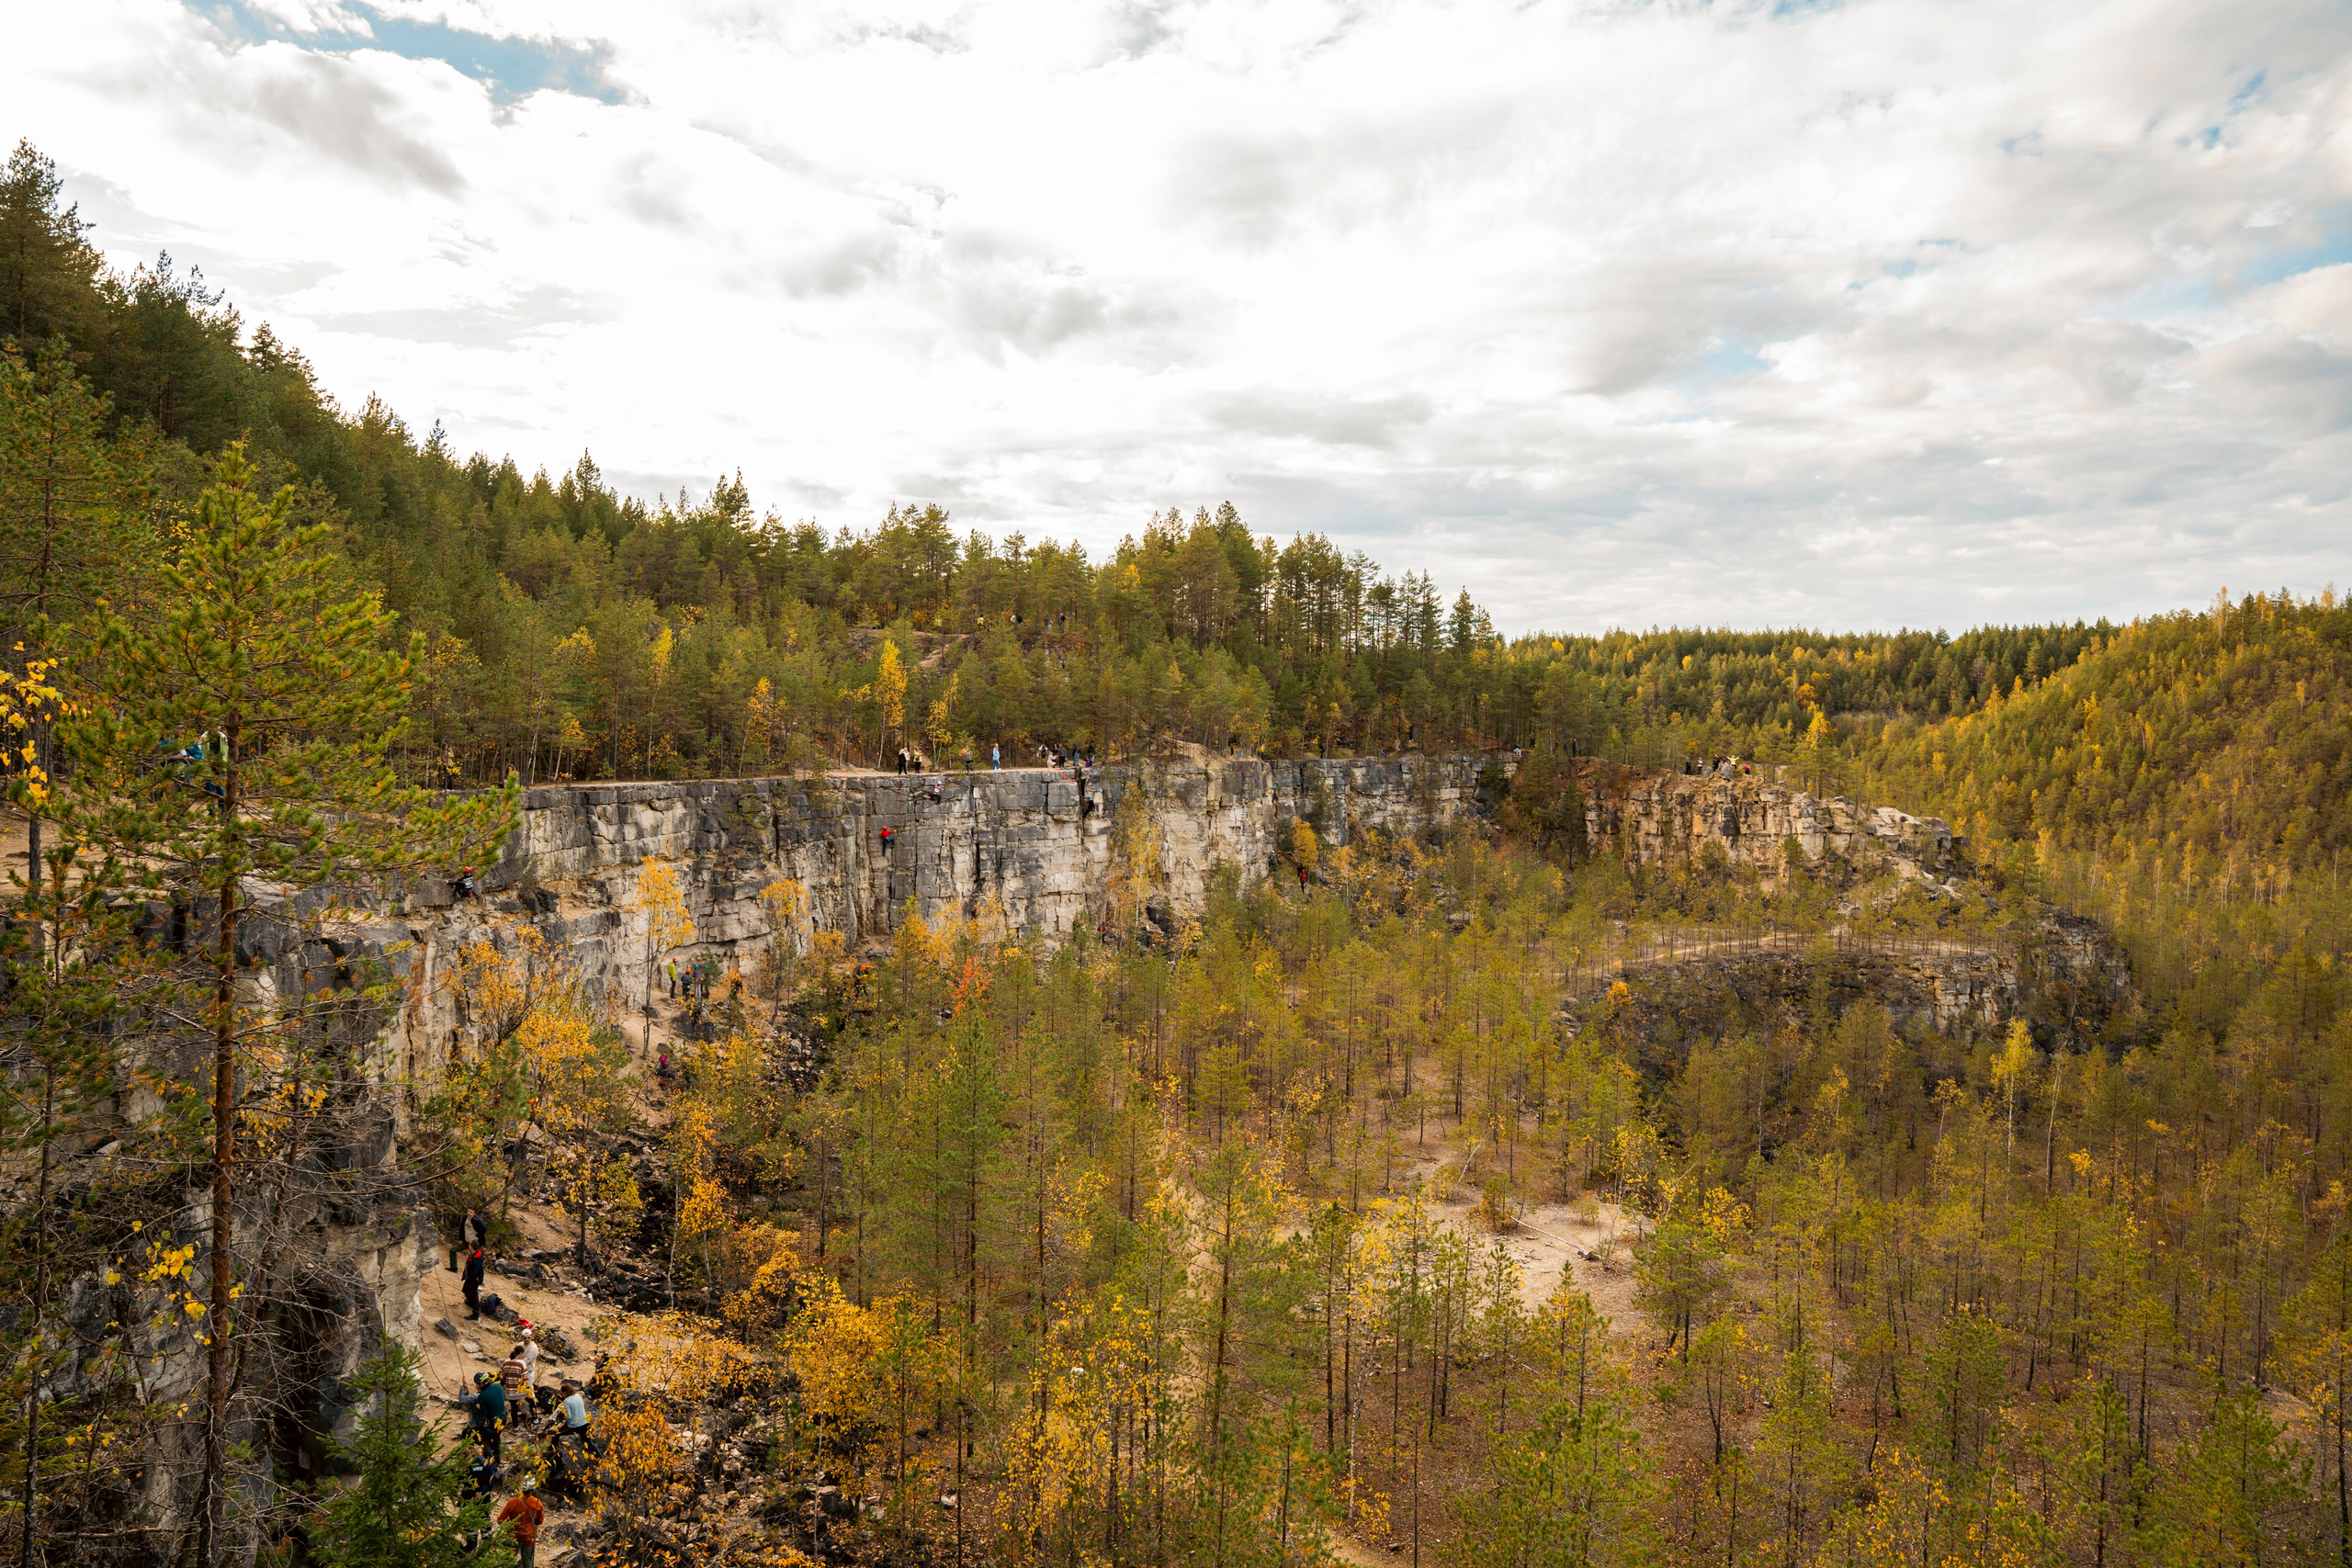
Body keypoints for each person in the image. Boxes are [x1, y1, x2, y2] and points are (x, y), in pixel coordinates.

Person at [458, 1371, 506, 1461]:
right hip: (503, 1417)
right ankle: (497, 1458)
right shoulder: (498, 1386)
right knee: (496, 1436)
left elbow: (485, 1412)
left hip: (491, 1421)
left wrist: (464, 1387)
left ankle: (490, 1462)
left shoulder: (482, 1396)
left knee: (484, 1440)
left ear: (479, 1384)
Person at [496, 1480, 545, 1568]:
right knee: (528, 1562)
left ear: (522, 1488)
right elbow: (539, 1521)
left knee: (509, 1562)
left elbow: (500, 1520)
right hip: (529, 1537)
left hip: (513, 1536)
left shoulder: (513, 1502)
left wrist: (510, 1521)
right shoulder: (537, 1503)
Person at [557, 1379, 597, 1456]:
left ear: (565, 1392)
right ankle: (600, 1457)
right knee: (589, 1442)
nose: (561, 1395)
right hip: (585, 1423)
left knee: (556, 1435)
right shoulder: (578, 1396)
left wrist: (564, 1419)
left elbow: (569, 1417)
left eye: (562, 1393)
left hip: (575, 1426)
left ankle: (553, 1452)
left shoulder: (566, 1401)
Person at [450, 1207, 486, 1271]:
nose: (469, 1213)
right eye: (469, 1211)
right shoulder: (465, 1218)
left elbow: (484, 1229)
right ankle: (453, 1268)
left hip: (474, 1243)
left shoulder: (477, 1221)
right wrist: (460, 1239)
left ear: (474, 1213)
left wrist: (473, 1219)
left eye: (471, 1212)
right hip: (465, 1241)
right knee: (452, 1250)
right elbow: (462, 1229)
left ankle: (474, 1272)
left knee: (474, 1258)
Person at [462, 1246, 486, 1320]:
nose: (468, 1245)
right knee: (465, 1290)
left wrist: (473, 1280)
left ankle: (476, 1313)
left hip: (473, 1279)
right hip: (470, 1278)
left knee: (474, 1295)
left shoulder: (476, 1259)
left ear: (472, 1246)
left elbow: (475, 1272)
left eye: (469, 1244)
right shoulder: (474, 1254)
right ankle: (470, 1301)